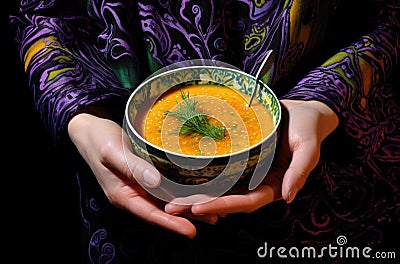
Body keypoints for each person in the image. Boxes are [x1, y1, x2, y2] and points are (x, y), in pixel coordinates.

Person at [9, 0, 400, 262]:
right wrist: (82, 116)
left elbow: (391, 15)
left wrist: (322, 100)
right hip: (132, 196)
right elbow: (37, 14)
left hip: (331, 199)